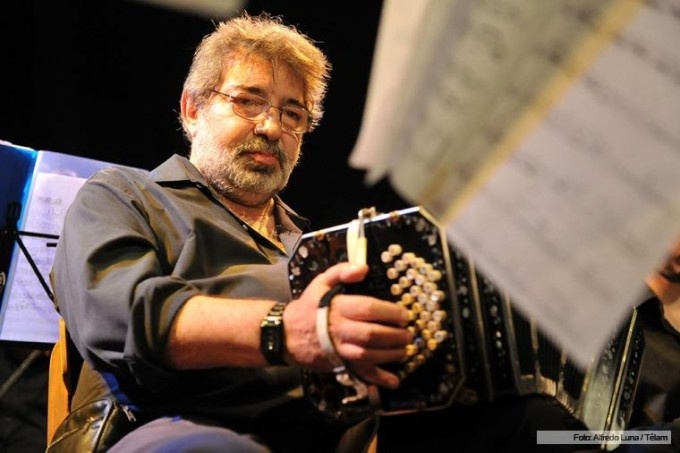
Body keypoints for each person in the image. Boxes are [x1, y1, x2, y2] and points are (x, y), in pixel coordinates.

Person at [47, 12, 412, 453]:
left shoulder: (317, 249)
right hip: (168, 429)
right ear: (192, 109)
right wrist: (286, 329)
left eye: (292, 113)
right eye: (248, 101)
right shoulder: (123, 196)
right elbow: (120, 317)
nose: (271, 127)